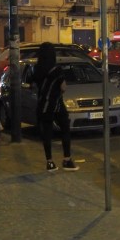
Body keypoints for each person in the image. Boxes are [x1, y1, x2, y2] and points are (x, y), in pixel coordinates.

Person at [30, 42, 77, 172]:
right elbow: (63, 87)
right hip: (57, 105)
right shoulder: (57, 70)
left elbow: (33, 85)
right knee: (65, 129)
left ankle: (50, 162)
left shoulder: (36, 69)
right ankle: (67, 160)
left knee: (47, 133)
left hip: (43, 106)